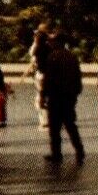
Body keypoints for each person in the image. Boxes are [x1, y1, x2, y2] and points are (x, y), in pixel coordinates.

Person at [40, 33, 85, 166]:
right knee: (71, 125)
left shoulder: (53, 57)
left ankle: (56, 154)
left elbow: (48, 78)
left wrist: (43, 95)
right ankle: (79, 150)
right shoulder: (72, 57)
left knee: (54, 128)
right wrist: (75, 93)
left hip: (56, 96)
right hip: (69, 97)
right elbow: (78, 77)